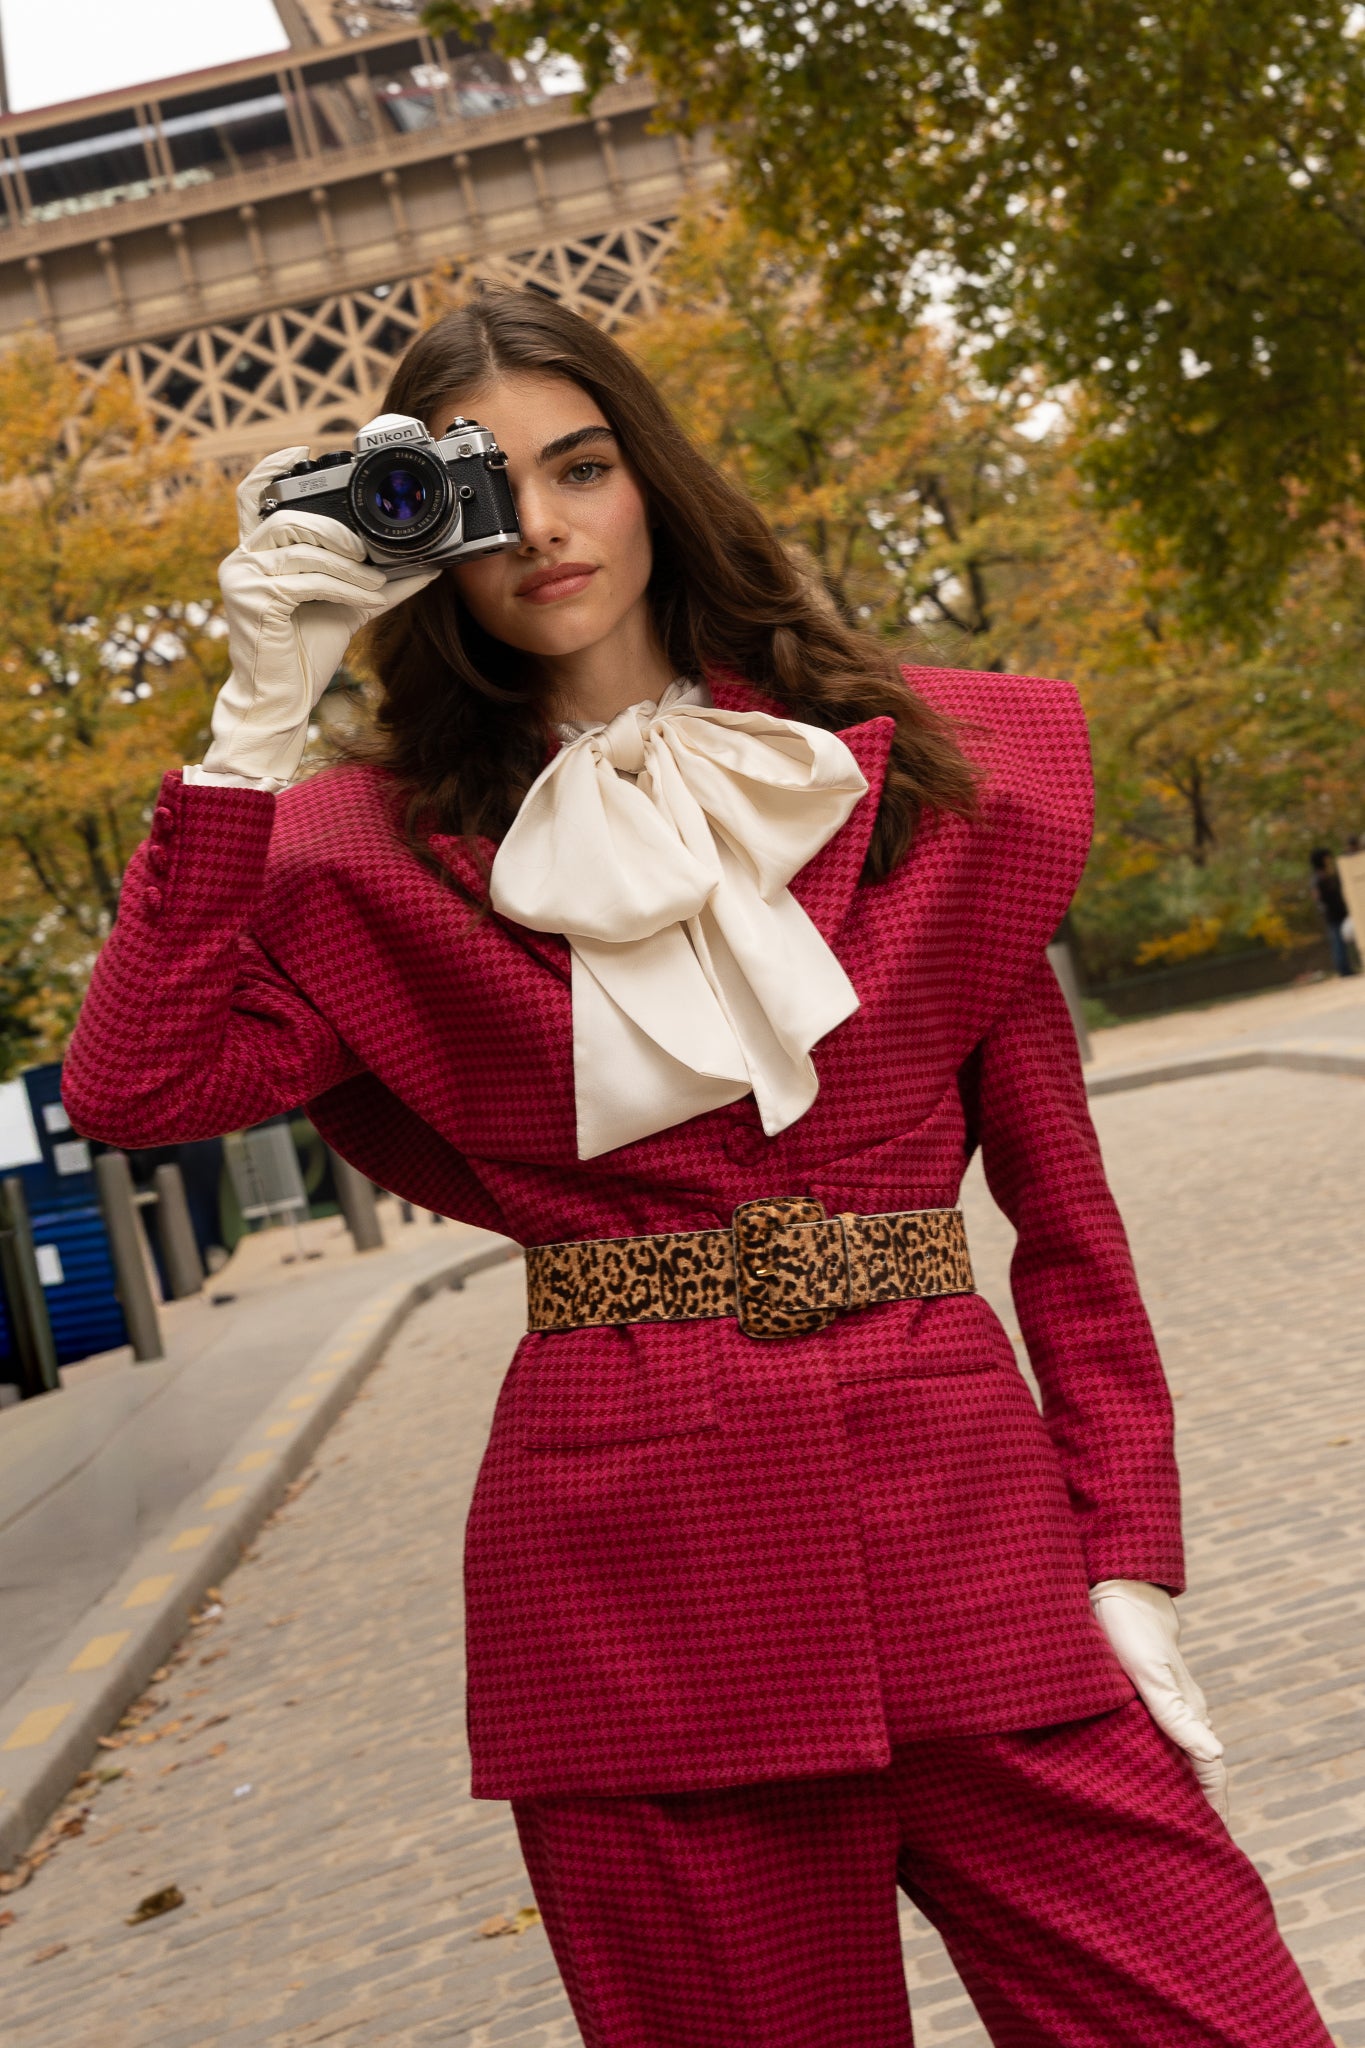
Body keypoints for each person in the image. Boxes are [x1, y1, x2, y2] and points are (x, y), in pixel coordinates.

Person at [62, 288, 1331, 2048]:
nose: (552, 526)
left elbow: (1067, 1212)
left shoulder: (932, 768)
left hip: (980, 1555)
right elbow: (136, 1082)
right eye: (493, 490)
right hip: (638, 1606)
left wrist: (1126, 1548)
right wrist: (252, 723)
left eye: (584, 464)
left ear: (652, 474)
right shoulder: (362, 851)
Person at [1311, 846, 1357, 976]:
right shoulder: (1318, 878)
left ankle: (1346, 967)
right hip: (1333, 915)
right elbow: (1318, 897)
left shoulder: (1327, 875)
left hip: (1339, 913)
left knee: (1341, 942)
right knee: (1338, 942)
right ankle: (1343, 969)